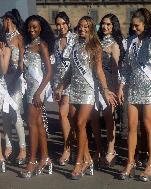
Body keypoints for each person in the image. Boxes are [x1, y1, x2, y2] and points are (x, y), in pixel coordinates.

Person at [65, 16, 116, 180]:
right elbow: (71, 70)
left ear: (92, 29)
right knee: (75, 124)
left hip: (88, 90)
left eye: (86, 27)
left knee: (81, 123)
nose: (82, 29)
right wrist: (60, 85)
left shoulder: (95, 46)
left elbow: (99, 70)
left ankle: (79, 163)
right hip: (75, 89)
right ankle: (87, 158)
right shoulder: (74, 45)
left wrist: (106, 90)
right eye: (80, 26)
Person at [118, 8, 151, 182]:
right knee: (131, 126)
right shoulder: (130, 42)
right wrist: (121, 86)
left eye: (137, 26)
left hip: (149, 88)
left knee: (148, 125)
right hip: (133, 88)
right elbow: (126, 68)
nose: (134, 28)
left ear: (145, 25)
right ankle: (130, 162)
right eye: (133, 25)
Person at [20, 15, 55, 178]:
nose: (32, 30)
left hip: (37, 90)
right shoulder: (27, 45)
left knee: (32, 125)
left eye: (35, 27)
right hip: (29, 89)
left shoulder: (42, 45)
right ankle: (45, 157)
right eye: (30, 27)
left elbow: (48, 72)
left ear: (41, 28)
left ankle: (32, 161)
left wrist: (39, 92)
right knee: (39, 125)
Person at [93, 13, 124, 167]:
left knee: (108, 117)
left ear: (113, 27)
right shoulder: (96, 41)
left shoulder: (115, 45)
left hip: (109, 84)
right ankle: (98, 149)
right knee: (94, 117)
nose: (105, 27)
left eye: (109, 25)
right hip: (94, 83)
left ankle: (111, 150)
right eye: (103, 24)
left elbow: (116, 69)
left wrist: (117, 89)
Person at [1, 9, 26, 165]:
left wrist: (15, 78)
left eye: (4, 20)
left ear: (8, 20)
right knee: (5, 114)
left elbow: (22, 64)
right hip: (3, 79)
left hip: (16, 79)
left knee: (15, 112)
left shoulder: (19, 38)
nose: (2, 23)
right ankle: (9, 146)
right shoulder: (2, 38)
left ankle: (23, 148)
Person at [53, 11, 77, 166]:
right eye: (58, 24)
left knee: (65, 115)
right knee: (67, 117)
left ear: (68, 23)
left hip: (72, 81)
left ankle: (68, 149)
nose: (61, 27)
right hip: (58, 82)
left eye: (63, 23)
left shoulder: (75, 39)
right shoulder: (56, 42)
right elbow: (56, 64)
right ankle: (71, 146)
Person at [0, 28, 12, 173]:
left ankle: (5, 151)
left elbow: (3, 70)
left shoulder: (6, 49)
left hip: (1, 87)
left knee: (6, 120)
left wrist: (1, 54)